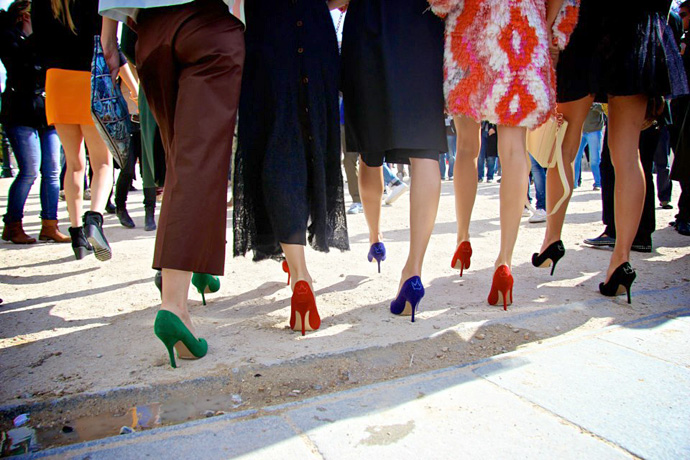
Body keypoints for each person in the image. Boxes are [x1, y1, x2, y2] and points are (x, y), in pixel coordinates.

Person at [100, 0, 245, 367]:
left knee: (180, 157)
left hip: (149, 33)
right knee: (198, 162)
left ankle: (197, 266)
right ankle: (174, 306)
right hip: (208, 25)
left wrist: (109, 40)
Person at [429, 0, 579, 310]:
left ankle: (463, 238)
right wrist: (543, 26)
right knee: (514, 151)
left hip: (469, 29)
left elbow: (442, 3)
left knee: (466, 146)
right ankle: (504, 262)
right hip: (522, 29)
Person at [537, 0, 687, 303]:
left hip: (587, 25)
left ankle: (552, 239)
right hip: (638, 28)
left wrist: (547, 28)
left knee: (564, 144)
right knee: (628, 155)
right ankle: (621, 261)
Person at [233, 0, 349, 336]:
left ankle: (300, 274)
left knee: (277, 149)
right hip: (315, 38)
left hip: (267, 37)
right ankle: (297, 269)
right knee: (311, 148)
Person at [340, 0, 447, 322]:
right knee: (425, 151)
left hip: (368, 29)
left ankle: (375, 238)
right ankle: (413, 272)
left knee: (370, 152)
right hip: (421, 28)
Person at [0, 0, 69, 244]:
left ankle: (50, 225)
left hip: (46, 109)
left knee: (52, 170)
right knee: (29, 170)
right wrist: (31, 36)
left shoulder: (45, 38)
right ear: (24, 16)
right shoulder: (8, 37)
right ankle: (12, 225)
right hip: (20, 110)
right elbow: (19, 65)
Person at [573, 103, 605, 190]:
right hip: (580, 130)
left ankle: (598, 183)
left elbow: (604, 108)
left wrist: (595, 106)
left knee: (594, 160)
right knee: (575, 159)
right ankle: (573, 183)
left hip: (594, 130)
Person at [439, 115, 456, 180]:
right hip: (441, 133)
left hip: (451, 133)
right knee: (441, 155)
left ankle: (451, 174)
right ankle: (442, 174)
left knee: (451, 155)